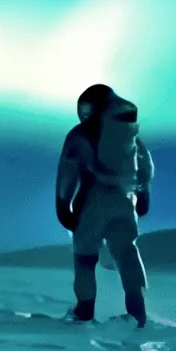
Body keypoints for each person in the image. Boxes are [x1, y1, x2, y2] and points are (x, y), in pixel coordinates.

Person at [54, 83, 154, 326]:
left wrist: (62, 204)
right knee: (127, 254)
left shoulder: (80, 135)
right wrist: (143, 197)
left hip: (92, 203)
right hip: (125, 203)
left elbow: (68, 171)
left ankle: (84, 311)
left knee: (85, 259)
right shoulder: (130, 136)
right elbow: (145, 169)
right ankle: (137, 312)